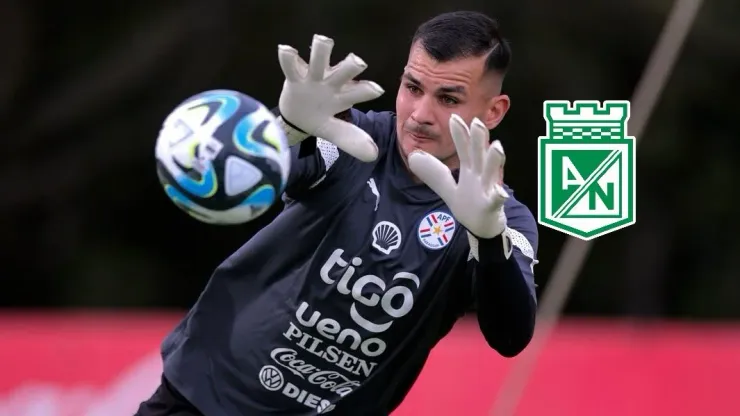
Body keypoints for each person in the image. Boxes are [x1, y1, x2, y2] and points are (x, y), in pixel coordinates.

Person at [137, 10, 539, 416]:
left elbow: (510, 336)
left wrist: (488, 240)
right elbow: (271, 173)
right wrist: (286, 131)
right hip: (203, 394)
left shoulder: (501, 219)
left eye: (448, 99)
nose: (419, 114)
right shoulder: (350, 139)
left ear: (493, 112)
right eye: (412, 87)